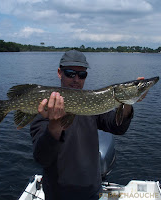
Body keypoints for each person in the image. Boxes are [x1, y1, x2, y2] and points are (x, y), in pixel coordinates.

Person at [30, 50, 134, 200]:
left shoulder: (91, 102)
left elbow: (117, 127)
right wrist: (54, 126)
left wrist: (128, 102)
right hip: (58, 194)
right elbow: (42, 158)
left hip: (92, 190)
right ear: (60, 73)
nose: (76, 79)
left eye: (82, 75)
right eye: (70, 73)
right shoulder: (44, 107)